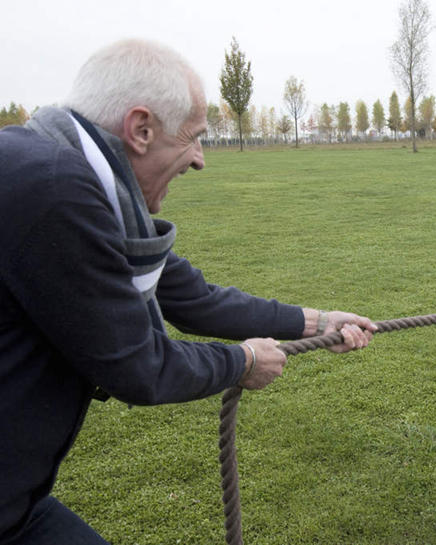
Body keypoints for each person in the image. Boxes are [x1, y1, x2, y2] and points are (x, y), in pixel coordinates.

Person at [0, 39, 376, 545]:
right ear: (141, 129)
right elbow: (138, 366)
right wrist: (241, 362)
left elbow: (190, 297)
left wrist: (318, 322)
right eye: (194, 137)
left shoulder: (71, 175)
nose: (200, 160)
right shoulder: (56, 188)